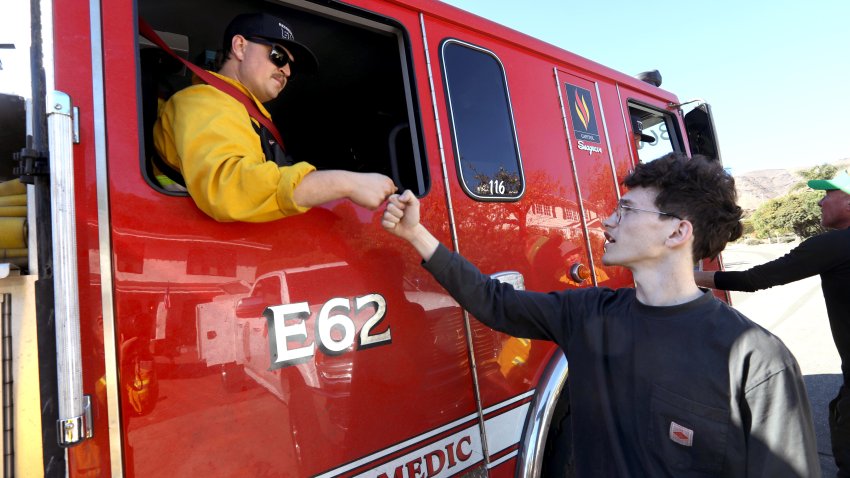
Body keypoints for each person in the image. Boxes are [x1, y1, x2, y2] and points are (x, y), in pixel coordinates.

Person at [382, 152, 820, 477]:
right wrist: (416, 234)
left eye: (626, 211)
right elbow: (495, 303)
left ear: (677, 231)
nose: (606, 223)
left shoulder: (756, 359)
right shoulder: (589, 314)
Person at [153, 12, 396, 222]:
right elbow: (229, 187)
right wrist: (347, 184)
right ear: (240, 47)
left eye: (291, 66)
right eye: (278, 56)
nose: (287, 71)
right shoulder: (204, 101)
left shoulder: (244, 113)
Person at [696, 169, 850, 477]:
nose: (819, 203)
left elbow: (757, 279)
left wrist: (692, 277)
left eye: (827, 195)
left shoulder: (832, 245)